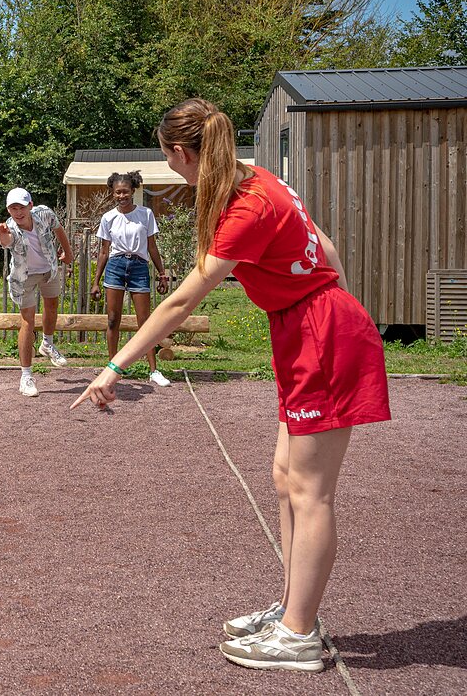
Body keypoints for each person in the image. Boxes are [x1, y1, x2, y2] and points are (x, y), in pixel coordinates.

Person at [71, 99, 390, 672]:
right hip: (310, 326)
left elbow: (183, 298)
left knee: (311, 491)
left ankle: (300, 636)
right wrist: (331, 301)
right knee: (285, 476)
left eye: (172, 159)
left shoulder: (247, 205)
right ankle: (296, 609)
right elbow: (328, 249)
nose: (174, 170)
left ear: (181, 151)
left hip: (321, 333)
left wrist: (114, 365)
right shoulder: (263, 179)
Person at [91, 171, 172, 387]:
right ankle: (112, 369)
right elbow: (104, 251)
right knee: (112, 319)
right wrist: (96, 281)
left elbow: (152, 247)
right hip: (116, 266)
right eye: (117, 192)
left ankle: (153, 370)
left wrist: (161, 273)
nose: (121, 196)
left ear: (133, 191)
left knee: (145, 322)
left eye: (125, 191)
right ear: (112, 193)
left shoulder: (145, 214)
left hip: (138, 266)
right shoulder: (108, 218)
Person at [0, 187, 73, 397]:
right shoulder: (11, 228)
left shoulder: (44, 213)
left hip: (49, 269)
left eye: (21, 207)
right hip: (25, 277)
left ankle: (47, 344)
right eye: (12, 208)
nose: (17, 212)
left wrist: (68, 252)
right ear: (8, 210)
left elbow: (59, 229)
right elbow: (8, 242)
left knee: (52, 306)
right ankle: (26, 376)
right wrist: (3, 235)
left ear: (30, 205)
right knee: (27, 321)